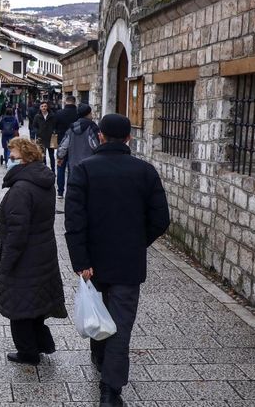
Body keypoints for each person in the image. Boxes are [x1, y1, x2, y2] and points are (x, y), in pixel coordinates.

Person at [64, 114, 170, 407]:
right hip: (128, 261)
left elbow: (74, 221)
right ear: (128, 138)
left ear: (99, 137)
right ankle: (110, 391)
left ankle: (99, 356)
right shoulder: (145, 171)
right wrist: (137, 243)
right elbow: (161, 219)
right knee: (121, 324)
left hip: (92, 261)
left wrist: (80, 259)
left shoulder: (84, 170)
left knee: (98, 309)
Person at [0, 137, 67, 366]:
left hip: (25, 257)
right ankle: (41, 343)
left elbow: (17, 231)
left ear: (26, 158)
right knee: (35, 302)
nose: (10, 160)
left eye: (14, 156)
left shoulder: (21, 189)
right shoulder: (43, 181)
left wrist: (6, 263)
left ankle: (28, 352)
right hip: (43, 253)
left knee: (19, 306)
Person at [56, 103, 100, 173]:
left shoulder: (71, 128)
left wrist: (60, 157)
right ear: (88, 114)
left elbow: (63, 146)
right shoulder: (92, 127)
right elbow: (96, 145)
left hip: (73, 165)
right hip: (89, 165)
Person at [54, 95, 79, 198]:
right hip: (75, 144)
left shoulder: (59, 113)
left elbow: (54, 127)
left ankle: (60, 191)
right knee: (72, 168)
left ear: (65, 102)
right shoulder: (78, 114)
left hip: (61, 143)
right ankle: (70, 190)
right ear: (74, 102)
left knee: (60, 167)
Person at [31, 101, 56, 172]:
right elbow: (34, 126)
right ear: (40, 108)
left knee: (51, 155)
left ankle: (53, 170)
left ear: (47, 107)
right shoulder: (37, 116)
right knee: (42, 155)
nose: (44, 108)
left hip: (50, 138)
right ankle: (44, 170)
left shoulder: (52, 115)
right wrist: (38, 132)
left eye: (45, 106)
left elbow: (55, 125)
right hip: (41, 138)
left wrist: (54, 131)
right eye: (42, 106)